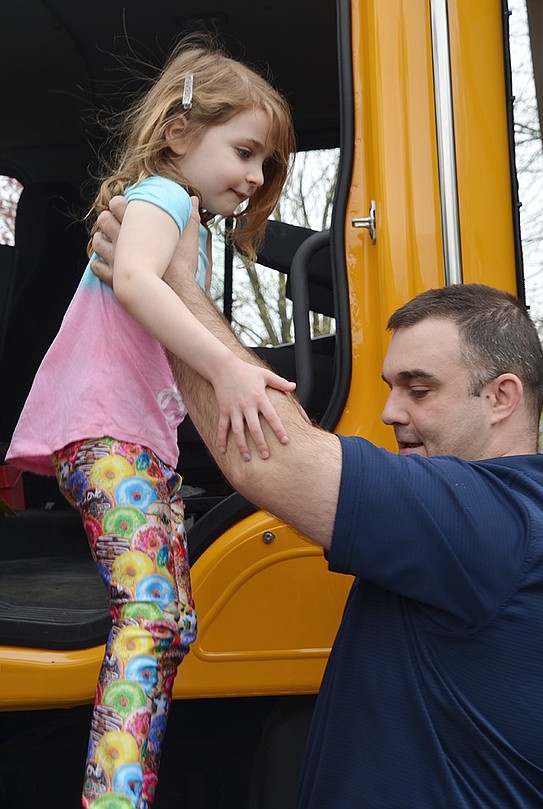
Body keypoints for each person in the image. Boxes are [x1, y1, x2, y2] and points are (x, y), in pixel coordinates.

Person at [92, 205, 543, 807]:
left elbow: (266, 460)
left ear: (501, 397)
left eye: (419, 389)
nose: (390, 412)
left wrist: (169, 286)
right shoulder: (530, 524)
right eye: (390, 387)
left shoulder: (493, 520)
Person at [6, 39, 297, 809]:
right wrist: (231, 367)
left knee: (169, 620)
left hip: (123, 441)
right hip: (106, 437)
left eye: (266, 164)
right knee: (154, 611)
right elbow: (134, 280)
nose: (256, 176)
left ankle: (127, 785)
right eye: (244, 150)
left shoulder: (179, 217)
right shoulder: (162, 197)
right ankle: (113, 798)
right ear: (178, 134)